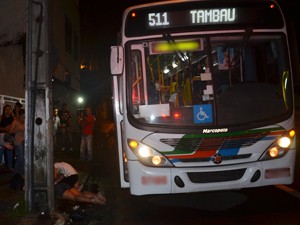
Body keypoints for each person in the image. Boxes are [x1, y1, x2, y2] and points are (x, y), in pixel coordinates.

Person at [9, 108, 25, 178]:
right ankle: (15, 174)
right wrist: (16, 130)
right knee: (20, 158)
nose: (24, 118)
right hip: (17, 141)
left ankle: (20, 173)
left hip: (24, 141)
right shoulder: (15, 122)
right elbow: (9, 131)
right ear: (20, 116)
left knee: (23, 159)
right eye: (23, 116)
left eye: (25, 116)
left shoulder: (26, 121)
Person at [0, 105, 15, 170]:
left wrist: (4, 129)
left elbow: (11, 129)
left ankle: (10, 168)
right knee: (0, 153)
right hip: (1, 138)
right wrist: (6, 129)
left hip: (9, 138)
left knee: (9, 154)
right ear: (4, 110)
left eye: (9, 109)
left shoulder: (13, 119)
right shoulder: (1, 117)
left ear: (11, 110)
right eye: (6, 109)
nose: (8, 111)